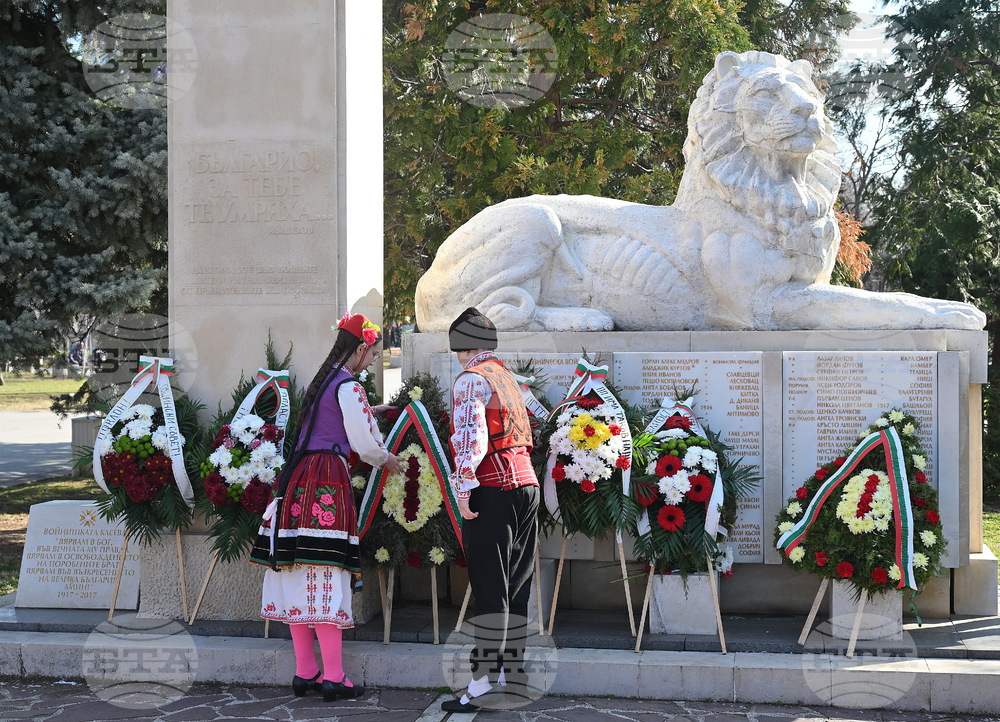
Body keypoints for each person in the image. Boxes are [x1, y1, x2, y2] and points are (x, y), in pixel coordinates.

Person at [249, 312, 402, 702]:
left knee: (298, 569)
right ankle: (334, 677)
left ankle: (305, 672)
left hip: (298, 479)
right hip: (326, 480)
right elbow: (365, 445)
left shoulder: (323, 382)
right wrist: (387, 459)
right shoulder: (349, 386)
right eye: (372, 355)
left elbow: (330, 423)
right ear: (362, 348)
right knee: (328, 570)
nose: (372, 362)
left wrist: (373, 414)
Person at [442, 307, 539, 714]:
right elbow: (540, 417)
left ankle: (481, 682)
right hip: (527, 486)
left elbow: (470, 438)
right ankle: (512, 676)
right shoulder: (509, 377)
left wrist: (463, 488)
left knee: (489, 589)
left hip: (493, 490)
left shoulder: (471, 379)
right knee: (517, 587)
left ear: (462, 348)